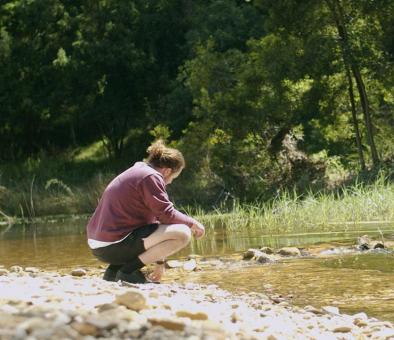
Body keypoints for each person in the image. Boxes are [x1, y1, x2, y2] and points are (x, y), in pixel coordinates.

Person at [86, 140, 205, 283]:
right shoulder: (151, 177)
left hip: (102, 245)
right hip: (112, 246)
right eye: (173, 177)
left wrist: (160, 264)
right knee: (183, 233)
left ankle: (114, 271)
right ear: (167, 171)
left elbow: (156, 224)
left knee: (163, 230)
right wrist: (193, 224)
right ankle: (127, 272)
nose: (171, 182)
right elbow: (167, 214)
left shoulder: (139, 171)